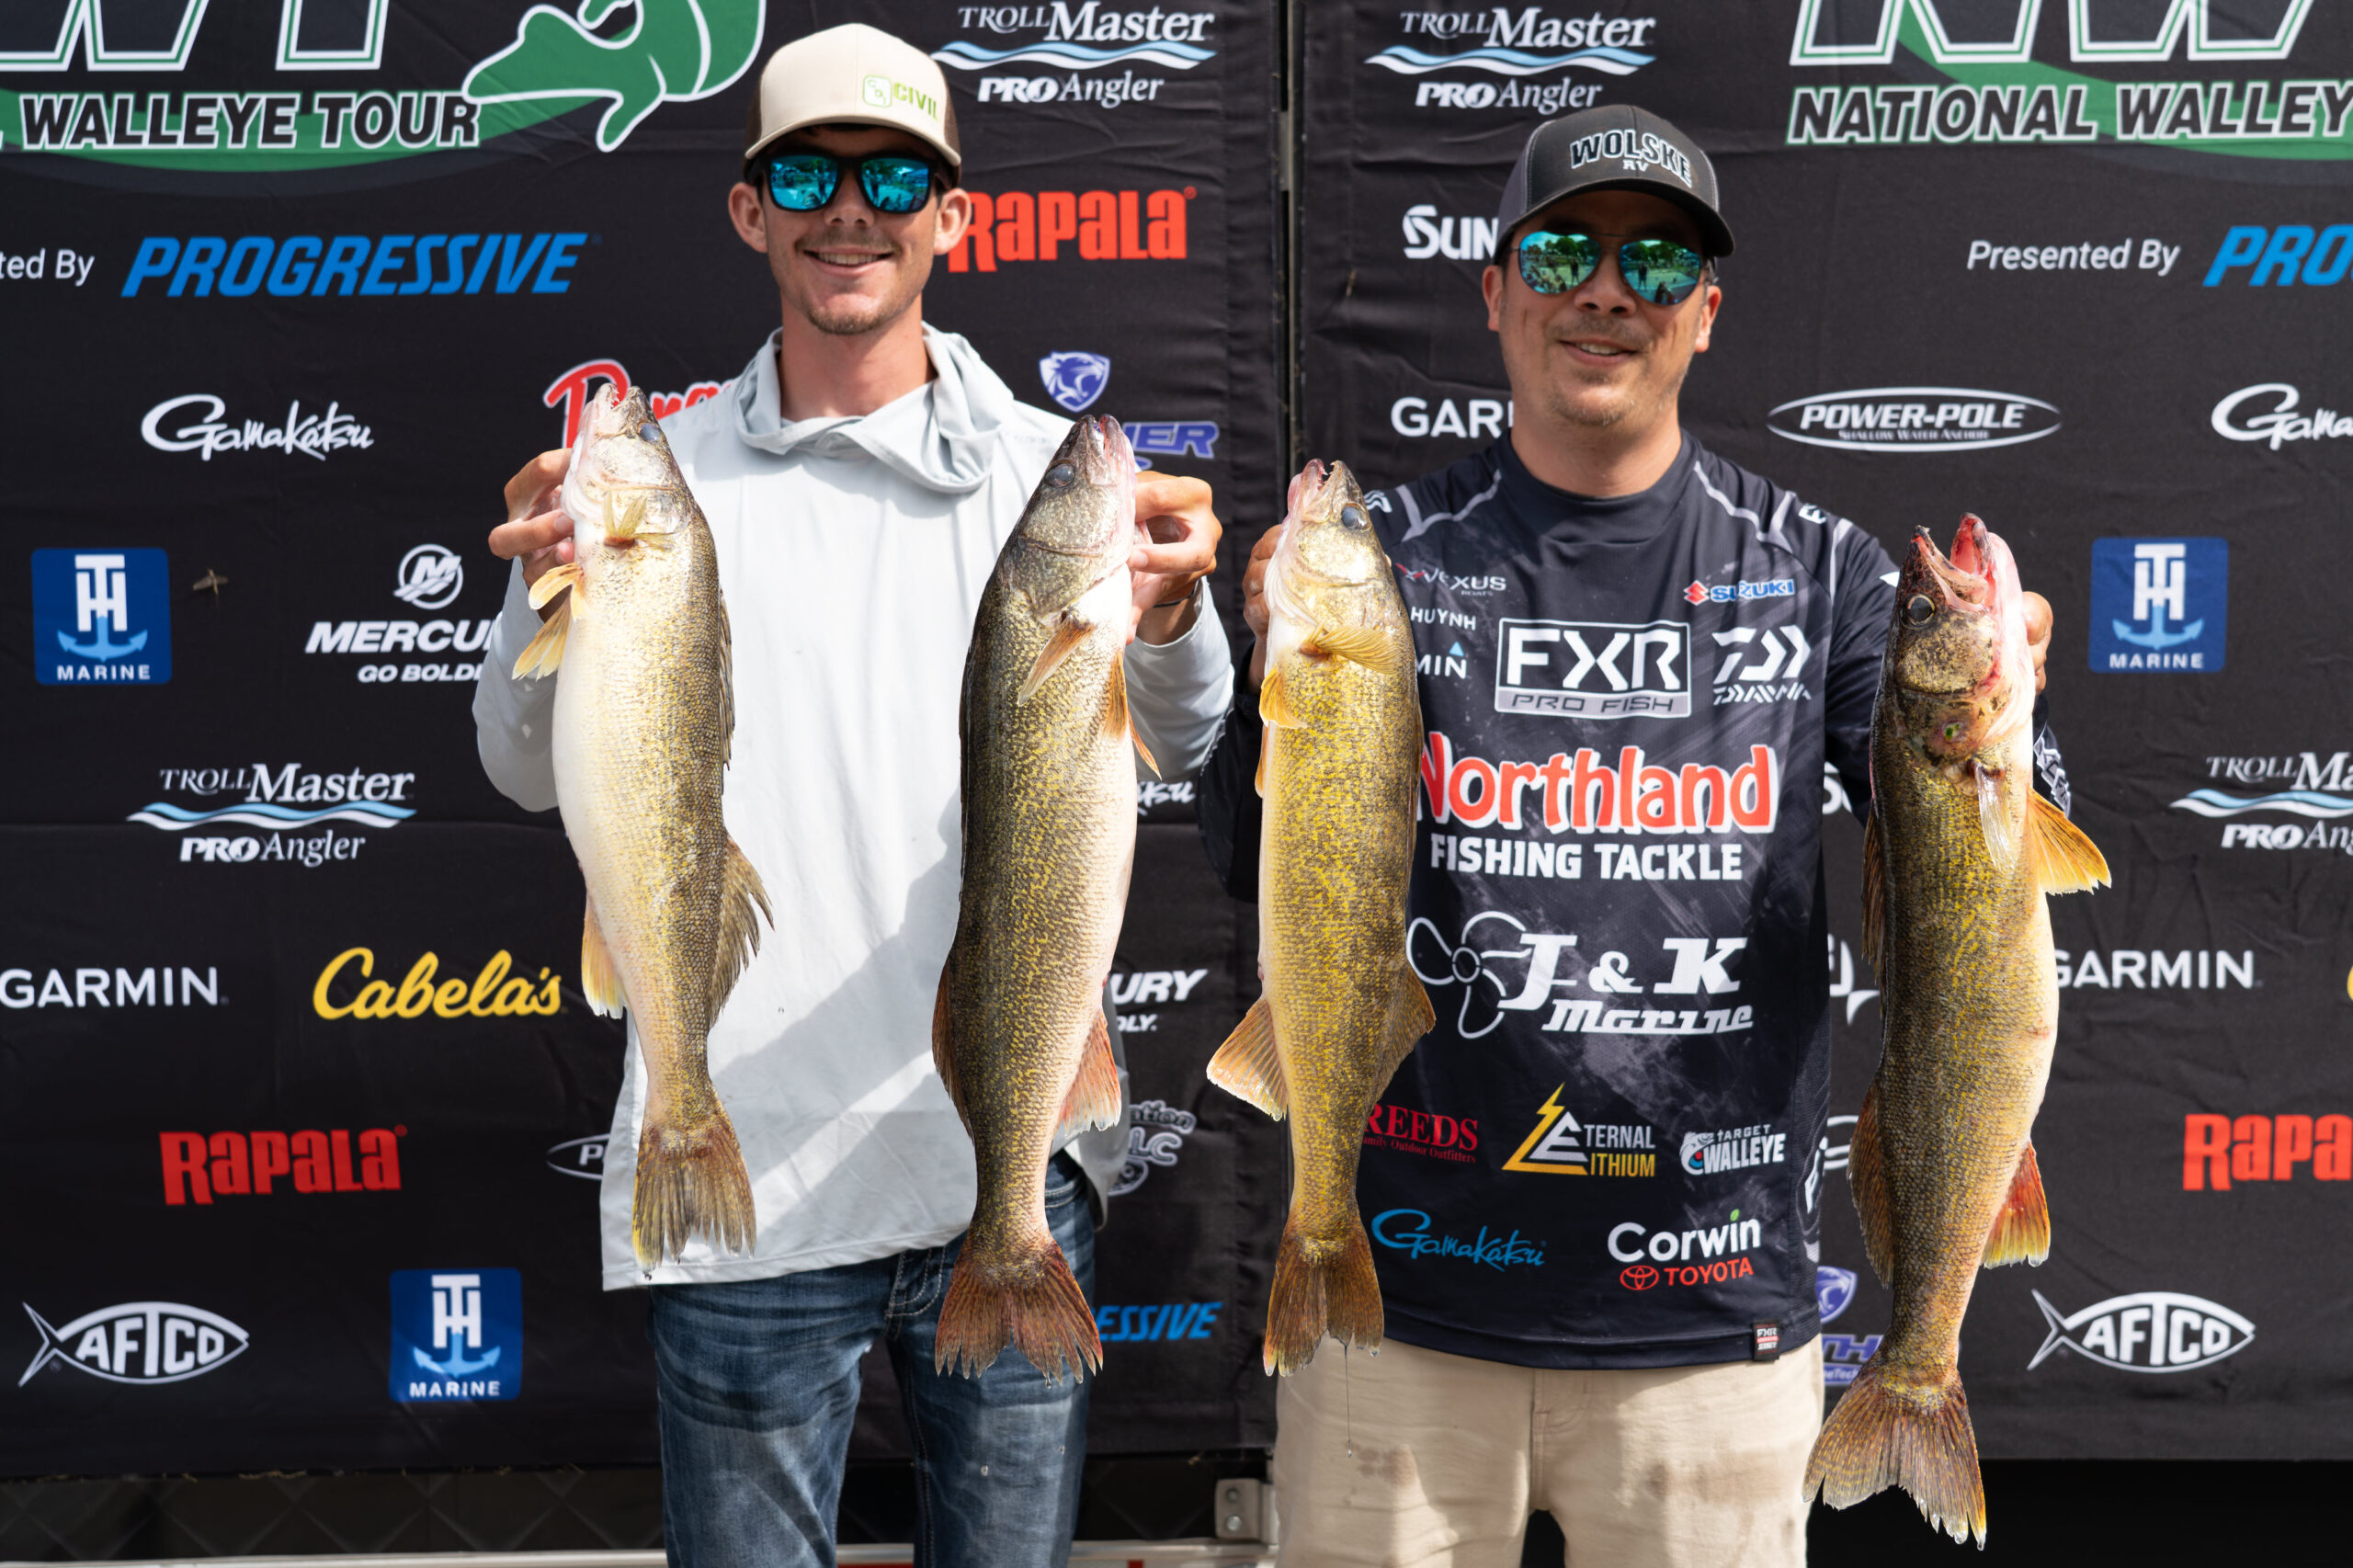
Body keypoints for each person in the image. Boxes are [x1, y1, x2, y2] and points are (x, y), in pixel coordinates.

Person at [1195, 105, 2063, 1567]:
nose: (1606, 291)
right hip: (1396, 1312)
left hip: (1715, 1328)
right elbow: (1244, 855)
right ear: (1495, 291)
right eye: (1562, 254)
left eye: (1655, 263)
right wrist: (1255, 663)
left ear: (1705, 313)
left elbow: (1963, 877)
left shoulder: (1825, 571)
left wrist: (2021, 711)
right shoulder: (1377, 563)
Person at [472, 25, 1233, 1568]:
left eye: (892, 179)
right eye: (809, 174)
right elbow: (514, 761)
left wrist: (1171, 618)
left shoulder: (1050, 471)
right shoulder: (659, 477)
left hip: (1005, 1167)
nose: (849, 211)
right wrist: (535, 600)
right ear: (749, 208)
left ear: (952, 215)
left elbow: (1190, 730)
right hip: (747, 1176)